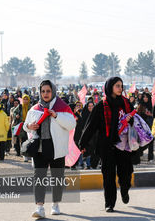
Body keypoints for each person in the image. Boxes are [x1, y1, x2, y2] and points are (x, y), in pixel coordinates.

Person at [79, 77, 134, 212]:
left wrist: (130, 120)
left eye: (121, 86)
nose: (120, 88)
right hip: (107, 146)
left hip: (124, 145)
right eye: (117, 86)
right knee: (108, 176)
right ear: (110, 87)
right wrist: (83, 143)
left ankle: (125, 189)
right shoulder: (101, 106)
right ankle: (109, 203)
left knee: (126, 173)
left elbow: (135, 120)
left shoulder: (126, 104)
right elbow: (90, 126)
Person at [24, 80, 76, 218]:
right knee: (39, 178)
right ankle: (39, 207)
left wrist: (56, 115)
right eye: (43, 91)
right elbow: (25, 125)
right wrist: (29, 126)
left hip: (56, 149)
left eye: (48, 91)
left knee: (57, 178)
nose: (45, 94)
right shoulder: (35, 108)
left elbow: (71, 124)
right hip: (39, 149)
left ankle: (55, 204)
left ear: (53, 91)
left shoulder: (62, 106)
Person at [137, 92, 154, 161]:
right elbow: (137, 115)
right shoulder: (140, 105)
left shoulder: (151, 106)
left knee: (151, 141)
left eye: (147, 97)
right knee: (141, 141)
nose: (145, 98)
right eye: (144, 97)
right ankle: (140, 153)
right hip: (142, 126)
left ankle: (150, 157)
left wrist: (150, 114)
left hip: (150, 125)